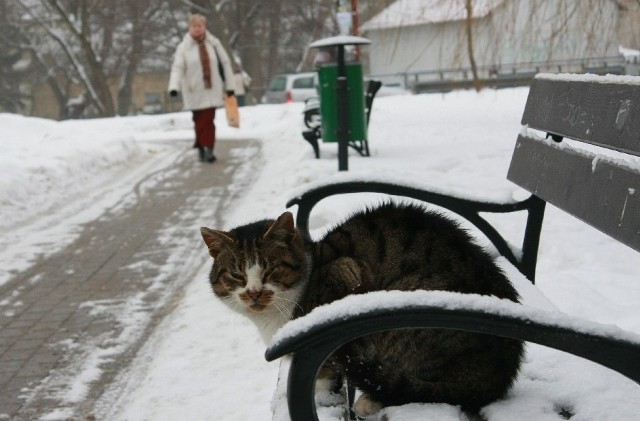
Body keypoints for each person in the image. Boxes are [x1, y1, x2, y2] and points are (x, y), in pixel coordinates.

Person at [168, 14, 235, 163]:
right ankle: (201, 148)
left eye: (200, 26)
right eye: (194, 26)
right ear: (189, 28)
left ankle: (209, 149)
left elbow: (225, 63)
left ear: (205, 27)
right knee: (198, 121)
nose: (197, 29)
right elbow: (177, 68)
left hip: (212, 90)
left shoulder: (214, 44)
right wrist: (174, 87)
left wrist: (230, 86)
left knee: (208, 120)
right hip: (193, 91)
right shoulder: (183, 48)